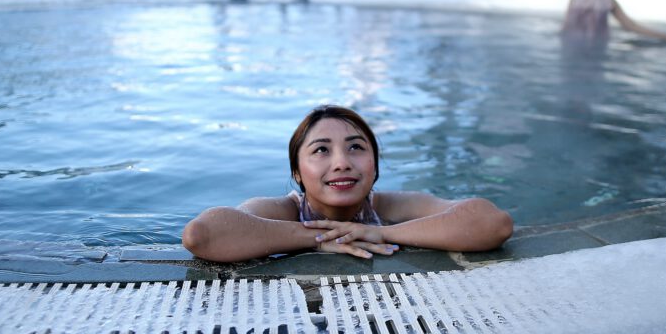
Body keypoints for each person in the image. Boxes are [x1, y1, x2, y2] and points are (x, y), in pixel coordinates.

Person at [182, 105, 514, 263]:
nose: (342, 161)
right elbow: (202, 235)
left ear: (375, 165)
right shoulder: (281, 211)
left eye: (356, 147)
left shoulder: (392, 208)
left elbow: (493, 223)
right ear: (297, 172)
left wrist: (380, 233)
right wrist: (313, 238)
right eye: (321, 150)